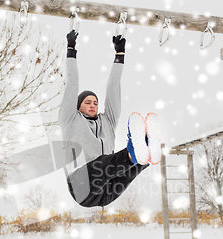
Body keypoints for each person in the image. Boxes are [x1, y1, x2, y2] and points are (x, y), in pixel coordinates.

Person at [59, 30, 162, 208]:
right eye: (87, 102)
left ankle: (147, 149)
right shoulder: (70, 120)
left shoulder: (107, 121)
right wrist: (71, 49)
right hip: (81, 186)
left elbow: (113, 87)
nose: (92, 105)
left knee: (131, 168)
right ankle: (133, 153)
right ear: (77, 106)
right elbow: (72, 82)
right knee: (107, 163)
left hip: (107, 191)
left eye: (95, 103)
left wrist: (119, 55)